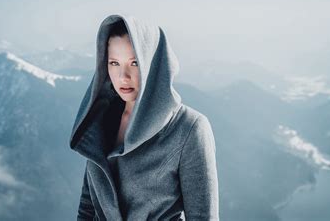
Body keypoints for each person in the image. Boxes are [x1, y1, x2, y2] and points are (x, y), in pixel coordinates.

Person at [69, 14, 219, 221]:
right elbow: (87, 208)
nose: (123, 76)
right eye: (114, 63)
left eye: (134, 63)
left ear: (154, 64)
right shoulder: (99, 121)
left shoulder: (190, 127)